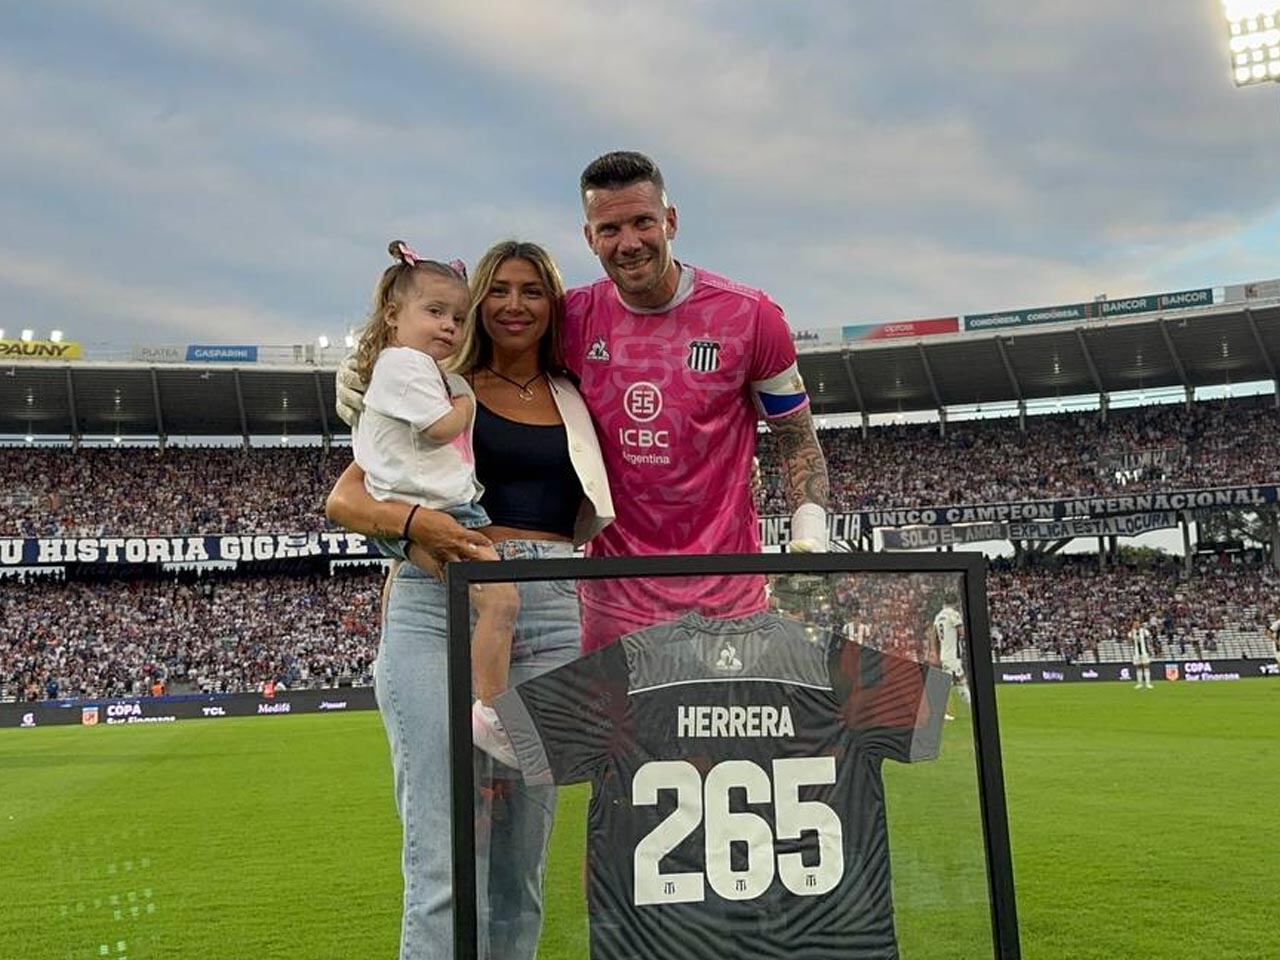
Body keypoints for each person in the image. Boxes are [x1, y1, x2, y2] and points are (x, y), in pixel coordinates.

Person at [340, 151, 832, 649]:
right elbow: (482, 333)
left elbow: (795, 436)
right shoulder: (572, 318)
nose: (629, 243)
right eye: (610, 229)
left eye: (643, 222)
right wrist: (371, 374)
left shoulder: (750, 318)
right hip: (607, 606)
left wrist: (810, 534)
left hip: (727, 599)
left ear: (672, 221)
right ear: (589, 237)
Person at [327, 240, 613, 960]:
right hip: (438, 599)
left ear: (554, 306)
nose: (515, 305)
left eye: (533, 291)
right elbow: (348, 498)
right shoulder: (433, 382)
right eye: (500, 291)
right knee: (446, 859)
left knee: (521, 864)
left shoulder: (580, 397)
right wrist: (421, 527)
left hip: (548, 610)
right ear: (476, 302)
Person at [351, 240, 519, 763]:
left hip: (425, 509)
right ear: (394, 315)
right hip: (429, 512)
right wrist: (467, 400)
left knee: (469, 597)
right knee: (501, 600)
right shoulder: (406, 366)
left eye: (459, 318)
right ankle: (491, 714)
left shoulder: (412, 365)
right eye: (435, 312)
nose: (450, 326)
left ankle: (477, 708)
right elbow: (440, 426)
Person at [933, 597, 968, 719]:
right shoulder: (953, 614)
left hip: (944, 655)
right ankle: (947, 711)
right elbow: (962, 632)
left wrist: (937, 655)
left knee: (955, 681)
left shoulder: (938, 617)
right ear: (955, 603)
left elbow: (934, 638)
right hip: (953, 655)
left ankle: (948, 710)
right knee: (958, 681)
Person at [1129, 618, 1154, 690]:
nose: (1136, 625)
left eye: (1137, 623)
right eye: (1135, 624)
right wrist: (1132, 631)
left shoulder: (1143, 631)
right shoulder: (1131, 632)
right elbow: (1129, 641)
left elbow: (1149, 636)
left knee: (1146, 666)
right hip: (1136, 652)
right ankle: (1139, 683)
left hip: (1144, 651)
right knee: (1138, 667)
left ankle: (1148, 683)